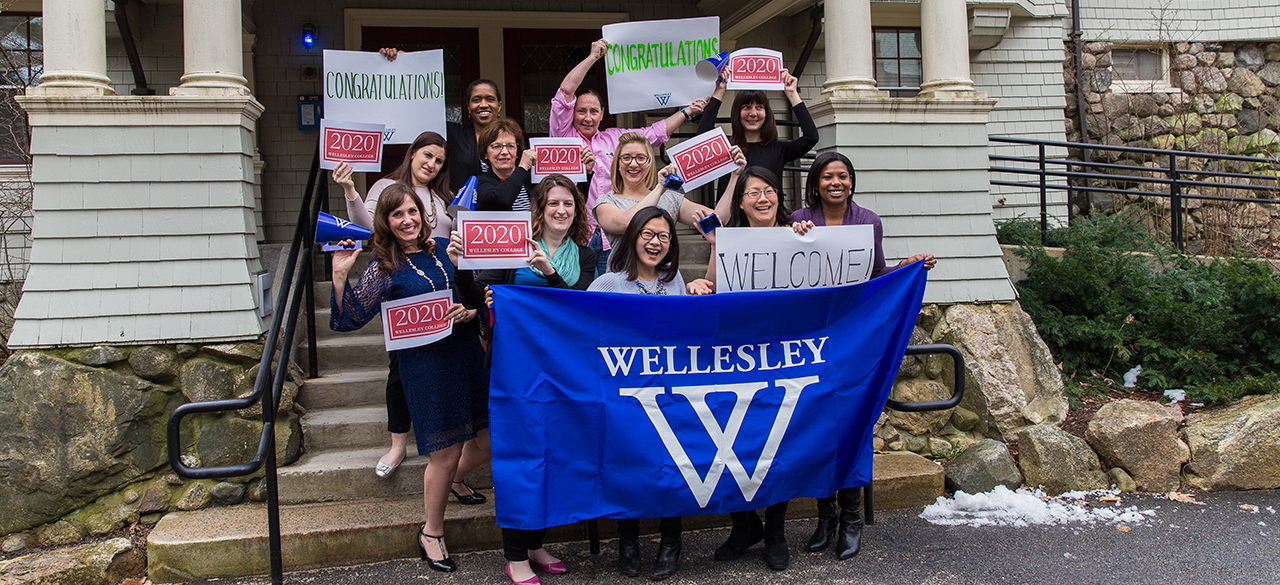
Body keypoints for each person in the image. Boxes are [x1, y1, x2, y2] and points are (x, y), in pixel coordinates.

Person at [329, 184, 489, 573]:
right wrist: (338, 278)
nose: (407, 220)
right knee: (446, 452)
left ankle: (454, 479)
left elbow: (473, 296)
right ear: (385, 221)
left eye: (412, 212)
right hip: (427, 368)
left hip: (467, 356)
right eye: (397, 214)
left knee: (488, 440)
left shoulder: (442, 249)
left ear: (423, 214)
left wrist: (470, 311)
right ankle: (432, 532)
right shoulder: (383, 269)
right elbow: (350, 317)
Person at [791, 151, 935, 560]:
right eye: (827, 177)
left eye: (842, 176)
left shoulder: (868, 221)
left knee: (851, 426)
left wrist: (910, 266)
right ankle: (826, 518)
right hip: (812, 338)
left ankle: (851, 518)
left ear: (851, 182)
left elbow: (875, 276)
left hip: (852, 338)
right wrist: (792, 235)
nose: (835, 183)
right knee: (817, 428)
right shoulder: (800, 218)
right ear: (816, 182)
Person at [585, 207, 709, 580]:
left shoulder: (675, 283)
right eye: (649, 234)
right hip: (624, 398)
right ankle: (628, 543)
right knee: (629, 467)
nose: (656, 243)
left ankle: (671, 544)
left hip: (668, 396)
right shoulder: (609, 283)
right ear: (634, 236)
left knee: (674, 466)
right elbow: (579, 324)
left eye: (664, 237)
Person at [553, 39, 705, 276]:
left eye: (594, 111)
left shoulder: (614, 138)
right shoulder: (563, 135)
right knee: (578, 294)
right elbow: (565, 92)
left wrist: (685, 112)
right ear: (572, 113)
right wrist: (593, 57)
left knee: (611, 292)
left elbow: (653, 134)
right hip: (575, 231)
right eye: (581, 111)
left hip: (611, 236)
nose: (587, 117)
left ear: (602, 114)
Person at [697, 65, 818, 210]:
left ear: (767, 113)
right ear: (737, 113)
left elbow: (811, 137)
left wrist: (792, 94)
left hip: (768, 223)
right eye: (746, 107)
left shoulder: (779, 149)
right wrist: (720, 90)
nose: (753, 113)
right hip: (732, 225)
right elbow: (701, 139)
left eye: (759, 107)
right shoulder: (726, 147)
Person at [381, 48, 500, 193]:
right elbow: (420, 110)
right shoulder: (453, 134)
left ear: (499, 106)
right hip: (458, 213)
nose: (483, 105)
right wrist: (403, 66)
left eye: (489, 99)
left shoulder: (512, 138)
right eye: (476, 100)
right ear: (468, 107)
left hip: (503, 213)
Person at [592, 132, 730, 252]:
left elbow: (718, 219)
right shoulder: (606, 202)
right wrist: (660, 188)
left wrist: (735, 176)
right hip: (624, 280)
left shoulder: (670, 198)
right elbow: (626, 223)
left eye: (641, 158)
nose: (633, 164)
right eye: (627, 158)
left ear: (649, 164)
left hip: (665, 280)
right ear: (618, 164)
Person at [479, 174, 597, 290]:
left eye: (568, 204)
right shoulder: (516, 248)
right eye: (553, 203)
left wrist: (549, 272)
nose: (561, 210)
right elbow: (474, 299)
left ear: (575, 211)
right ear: (540, 208)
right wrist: (460, 268)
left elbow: (575, 304)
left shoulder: (586, 256)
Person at [476, 118, 538, 212]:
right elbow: (501, 200)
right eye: (497, 146)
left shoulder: (531, 181)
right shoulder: (480, 183)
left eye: (510, 146)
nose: (504, 152)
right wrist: (522, 168)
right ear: (485, 153)